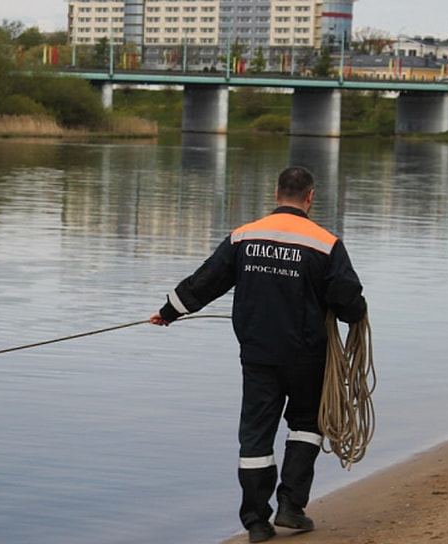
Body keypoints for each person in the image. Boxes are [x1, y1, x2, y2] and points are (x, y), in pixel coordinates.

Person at [149, 167, 367, 543]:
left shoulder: (244, 236)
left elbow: (207, 279)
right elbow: (347, 300)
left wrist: (169, 312)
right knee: (306, 425)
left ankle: (256, 522)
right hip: (308, 356)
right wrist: (356, 316)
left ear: (276, 192)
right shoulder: (326, 243)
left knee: (255, 437)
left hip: (258, 355)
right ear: (310, 197)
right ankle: (291, 507)